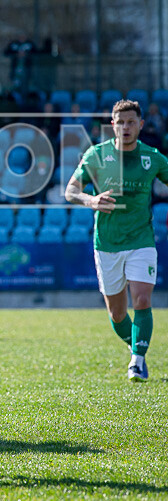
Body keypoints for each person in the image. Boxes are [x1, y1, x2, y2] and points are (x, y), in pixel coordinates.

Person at [65, 99, 168, 383]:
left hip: (141, 240)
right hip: (107, 243)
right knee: (117, 312)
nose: (125, 127)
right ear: (112, 125)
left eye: (131, 122)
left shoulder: (153, 158)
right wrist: (91, 200)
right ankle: (135, 344)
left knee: (143, 298)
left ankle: (137, 362)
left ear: (140, 125)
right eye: (120, 122)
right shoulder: (96, 155)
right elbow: (71, 191)